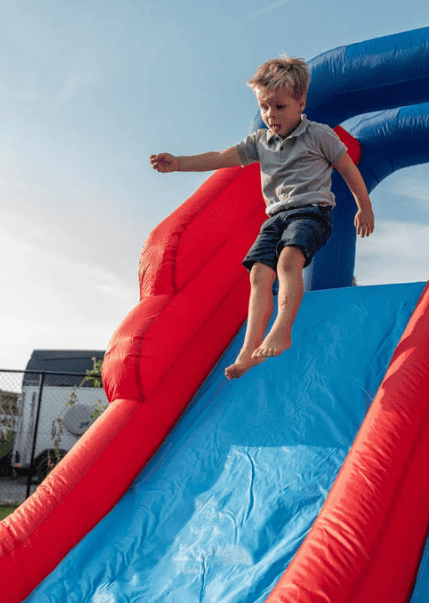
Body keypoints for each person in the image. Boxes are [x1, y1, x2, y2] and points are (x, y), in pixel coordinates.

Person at [150, 55, 375, 379]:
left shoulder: (319, 135)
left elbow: (347, 168)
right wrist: (178, 162)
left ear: (300, 102)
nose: (271, 115)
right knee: (258, 275)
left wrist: (363, 205)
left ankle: (282, 328)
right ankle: (248, 350)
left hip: (311, 212)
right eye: (265, 108)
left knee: (287, 262)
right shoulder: (260, 142)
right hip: (276, 218)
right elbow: (219, 157)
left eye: (279, 107)